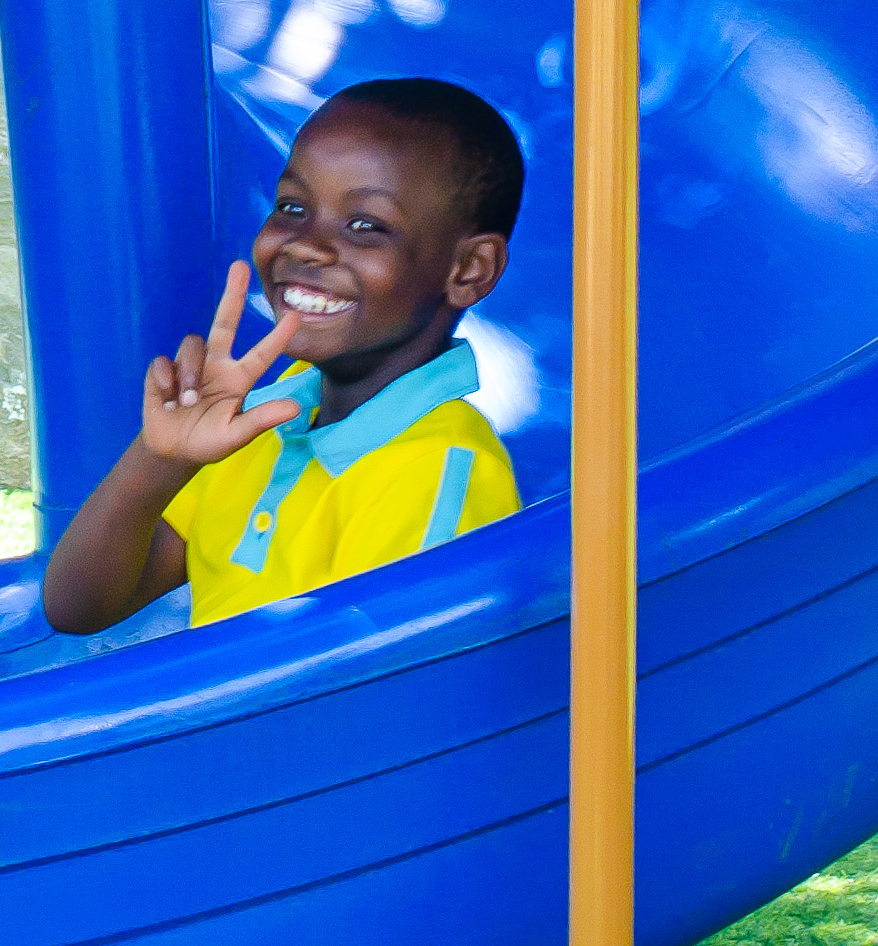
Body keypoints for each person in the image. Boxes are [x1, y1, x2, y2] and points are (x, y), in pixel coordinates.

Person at [42, 76, 524, 633]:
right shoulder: (266, 415)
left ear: (469, 270)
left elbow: (378, 700)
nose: (304, 244)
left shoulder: (441, 470)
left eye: (365, 225)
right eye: (292, 207)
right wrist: (162, 459)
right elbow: (80, 608)